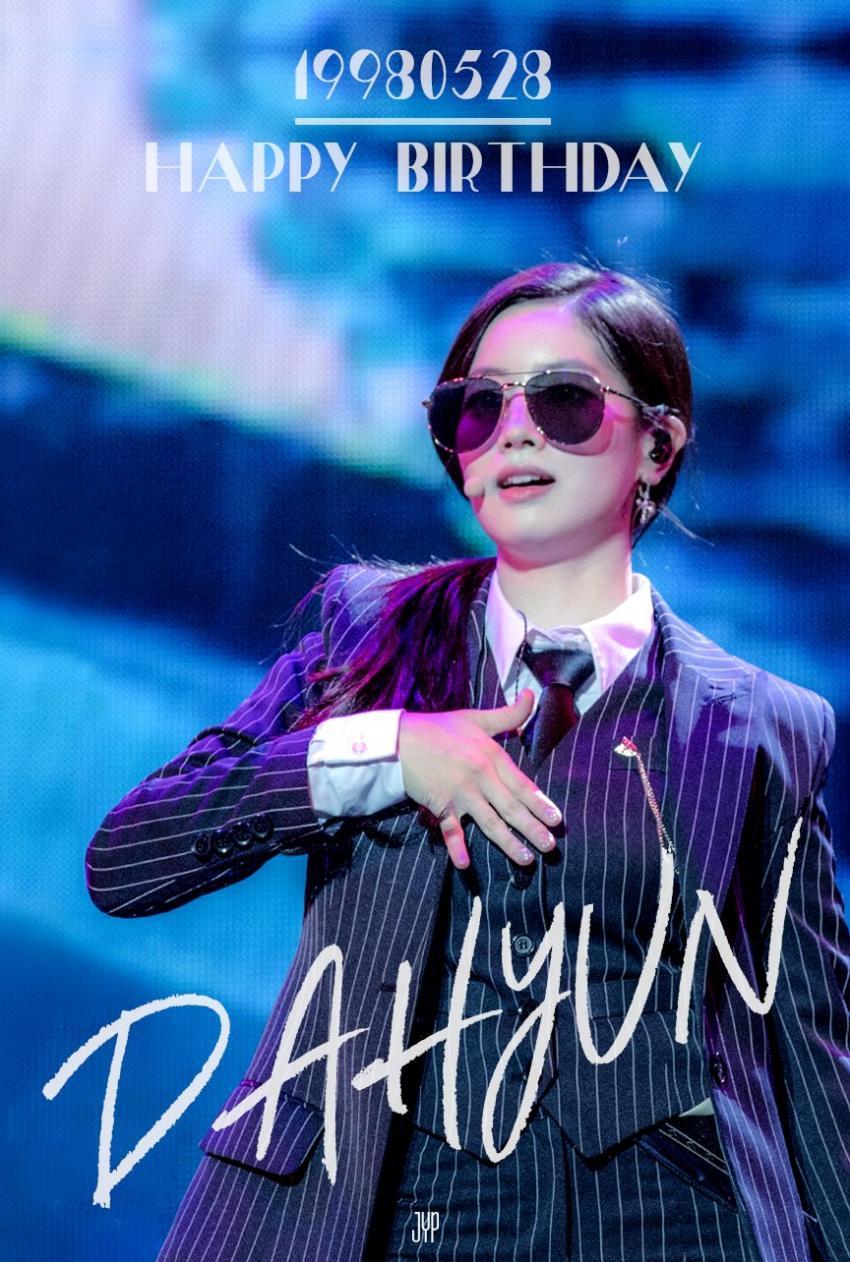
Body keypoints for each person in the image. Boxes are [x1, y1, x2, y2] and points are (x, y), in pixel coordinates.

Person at [85, 262, 850, 1262]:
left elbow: (811, 1052)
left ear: (657, 444)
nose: (514, 432)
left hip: (671, 1222)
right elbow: (129, 859)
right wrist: (385, 751)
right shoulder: (366, 630)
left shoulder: (767, 726)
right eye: (478, 407)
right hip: (381, 1210)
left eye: (564, 400)